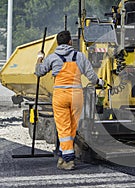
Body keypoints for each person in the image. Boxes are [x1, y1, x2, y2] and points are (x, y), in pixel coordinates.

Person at [35, 30, 104, 170]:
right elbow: (91, 75)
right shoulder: (79, 56)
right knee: (72, 128)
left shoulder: (52, 58)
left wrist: (39, 59)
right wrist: (100, 82)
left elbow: (39, 72)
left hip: (60, 95)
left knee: (64, 129)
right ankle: (62, 157)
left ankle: (68, 160)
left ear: (58, 43)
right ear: (70, 42)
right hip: (76, 96)